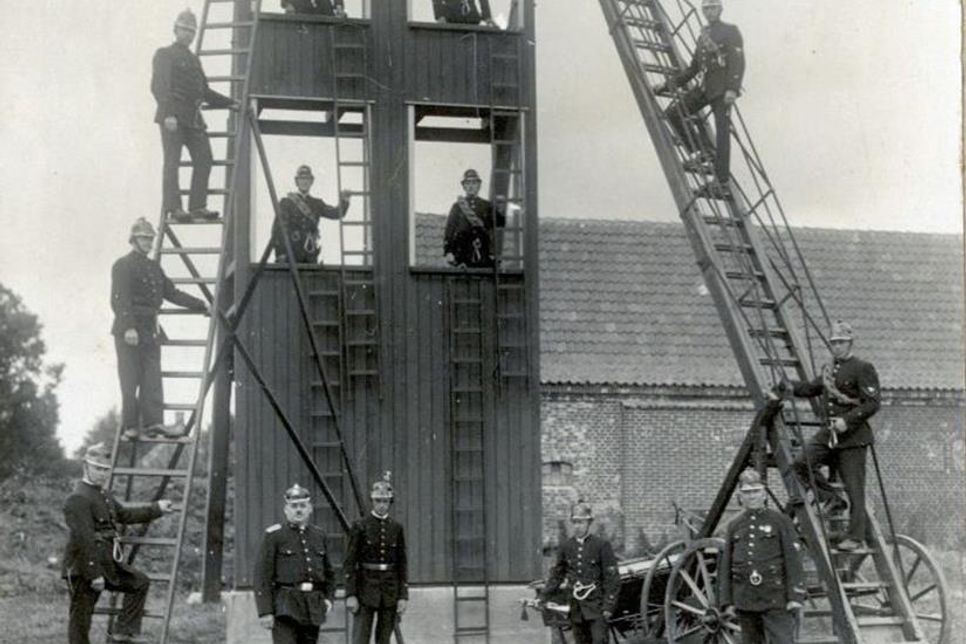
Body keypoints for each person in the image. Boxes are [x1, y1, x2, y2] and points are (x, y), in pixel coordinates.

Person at [775, 320, 880, 551]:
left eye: (841, 342)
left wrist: (847, 420)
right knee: (801, 463)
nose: (837, 347)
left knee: (855, 488)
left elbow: (872, 403)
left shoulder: (863, 368)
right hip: (830, 434)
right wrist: (788, 386)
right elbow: (811, 388)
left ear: (850, 343)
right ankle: (831, 497)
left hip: (853, 438)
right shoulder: (829, 370)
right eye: (834, 343)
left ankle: (855, 536)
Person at [62, 443, 175, 644]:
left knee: (139, 582)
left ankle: (123, 633)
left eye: (106, 469)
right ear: (85, 466)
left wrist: (156, 508)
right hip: (84, 567)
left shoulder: (103, 494)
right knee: (81, 619)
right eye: (98, 468)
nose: (102, 474)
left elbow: (124, 514)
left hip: (107, 563)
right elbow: (84, 540)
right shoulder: (77, 498)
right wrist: (94, 574)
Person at [111, 218, 209, 440]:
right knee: (130, 379)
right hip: (130, 329)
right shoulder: (122, 265)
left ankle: (154, 423)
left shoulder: (154, 268)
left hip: (151, 330)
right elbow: (119, 299)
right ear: (133, 240)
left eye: (150, 239)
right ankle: (131, 427)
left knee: (152, 377)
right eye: (143, 238)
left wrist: (202, 304)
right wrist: (128, 327)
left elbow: (172, 293)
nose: (148, 242)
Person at [151, 9, 237, 222]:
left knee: (205, 158)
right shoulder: (164, 54)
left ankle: (198, 205)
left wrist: (231, 102)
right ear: (176, 30)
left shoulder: (194, 60)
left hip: (193, 118)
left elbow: (204, 92)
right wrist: (168, 114)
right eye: (184, 30)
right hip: (173, 117)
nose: (188, 34)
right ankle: (174, 207)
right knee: (172, 162)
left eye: (192, 31)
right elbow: (159, 86)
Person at [655, 0, 744, 196]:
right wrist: (667, 84)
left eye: (713, 8)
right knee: (673, 113)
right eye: (706, 9)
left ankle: (721, 182)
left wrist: (732, 89)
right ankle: (702, 150)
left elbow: (738, 62)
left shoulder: (730, 31)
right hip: (705, 88)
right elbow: (693, 69)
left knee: (722, 133)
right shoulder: (703, 35)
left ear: (720, 9)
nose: (709, 12)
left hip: (722, 90)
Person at [719, 469, 806, 644]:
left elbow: (793, 561)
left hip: (776, 598)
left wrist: (795, 597)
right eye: (747, 493)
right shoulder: (734, 525)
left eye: (756, 491)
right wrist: (727, 601)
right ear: (740, 496)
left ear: (764, 494)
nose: (752, 497)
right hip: (745, 599)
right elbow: (726, 565)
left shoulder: (781, 521)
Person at [254, 484, 335, 644]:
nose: (299, 510)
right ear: (286, 509)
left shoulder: (319, 535)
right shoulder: (274, 535)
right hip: (285, 605)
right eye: (294, 506)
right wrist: (265, 611)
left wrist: (329, 599)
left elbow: (329, 572)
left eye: (303, 506)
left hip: (312, 605)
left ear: (310, 509)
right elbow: (262, 576)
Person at [541, 502, 619, 644]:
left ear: (589, 523)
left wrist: (608, 606)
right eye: (575, 522)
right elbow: (557, 574)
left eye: (581, 522)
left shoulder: (601, 545)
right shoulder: (567, 546)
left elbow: (612, 578)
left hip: (597, 608)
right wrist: (543, 596)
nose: (577, 526)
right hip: (576, 608)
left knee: (599, 641)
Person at [344, 473, 408, 644]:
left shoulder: (396, 528)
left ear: (390, 503)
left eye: (385, 501)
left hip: (389, 591)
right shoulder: (360, 526)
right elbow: (349, 563)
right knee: (360, 638)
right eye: (378, 501)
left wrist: (403, 596)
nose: (381, 505)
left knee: (384, 638)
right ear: (372, 501)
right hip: (364, 589)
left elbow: (402, 564)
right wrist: (350, 594)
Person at [271, 165, 351, 265]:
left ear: (311, 182)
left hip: (310, 253)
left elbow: (336, 213)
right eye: (301, 179)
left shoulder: (317, 204)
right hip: (291, 253)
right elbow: (278, 229)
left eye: (307, 179)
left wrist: (344, 200)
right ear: (297, 181)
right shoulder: (286, 203)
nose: (304, 182)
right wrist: (280, 253)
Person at [443, 169, 506, 268]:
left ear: (479, 185)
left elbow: (499, 226)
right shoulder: (457, 207)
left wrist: (501, 206)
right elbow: (449, 230)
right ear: (464, 186)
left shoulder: (487, 206)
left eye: (474, 183)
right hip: (462, 254)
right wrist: (448, 252)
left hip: (483, 253)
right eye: (468, 183)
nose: (471, 186)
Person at [281, 0, 345, 16]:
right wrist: (288, 5)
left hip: (320, 10)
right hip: (301, 10)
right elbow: (284, 3)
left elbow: (338, 3)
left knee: (325, 3)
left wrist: (339, 7)